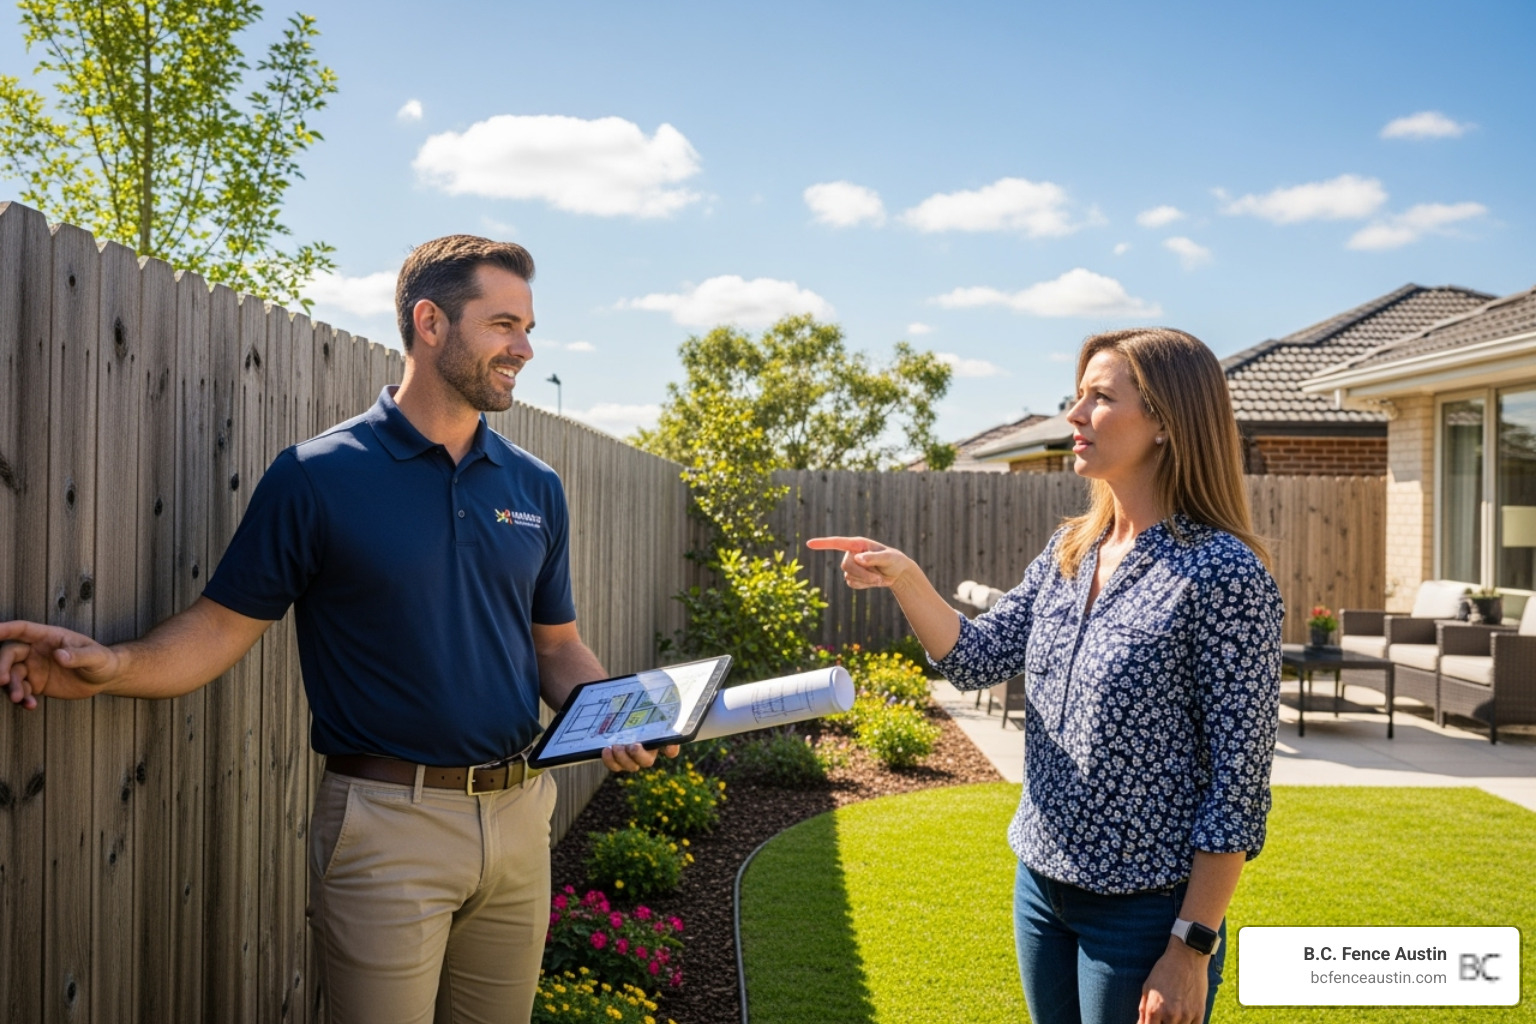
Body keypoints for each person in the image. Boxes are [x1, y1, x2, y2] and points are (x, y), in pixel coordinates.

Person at [1, 235, 672, 1024]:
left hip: (521, 815)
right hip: (387, 826)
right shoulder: (318, 476)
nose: (524, 347)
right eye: (503, 325)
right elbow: (218, 628)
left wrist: (609, 711)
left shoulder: (535, 485)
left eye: (527, 328)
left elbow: (556, 646)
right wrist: (112, 664)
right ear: (430, 322)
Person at [809, 328, 1281, 1024]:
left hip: (1146, 912)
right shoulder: (1072, 551)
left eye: (1100, 398)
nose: (1075, 415)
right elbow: (976, 658)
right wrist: (903, 577)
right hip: (1042, 887)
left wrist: (1192, 946)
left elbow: (1237, 783)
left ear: (1165, 424)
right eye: (1077, 395)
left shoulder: (1224, 575)